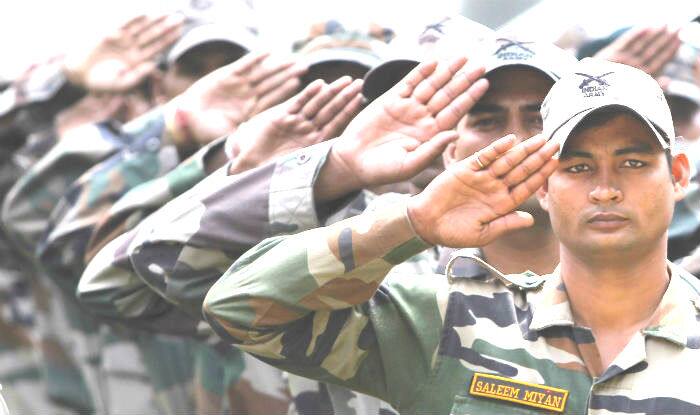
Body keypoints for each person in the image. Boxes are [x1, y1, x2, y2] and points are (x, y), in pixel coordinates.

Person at [202, 55, 699, 414]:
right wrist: (411, 222)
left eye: (633, 163)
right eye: (578, 167)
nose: (606, 190)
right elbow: (240, 309)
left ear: (678, 174)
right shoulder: (449, 320)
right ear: (543, 185)